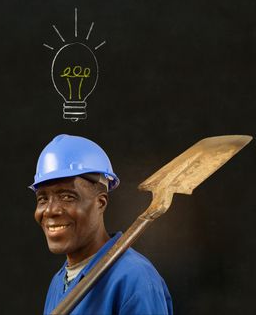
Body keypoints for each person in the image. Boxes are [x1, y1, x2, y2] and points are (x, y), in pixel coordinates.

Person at [30, 134, 173, 315]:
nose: (50, 210)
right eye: (43, 199)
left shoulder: (135, 279)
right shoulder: (59, 282)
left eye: (67, 197)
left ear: (101, 203)